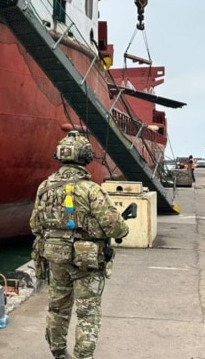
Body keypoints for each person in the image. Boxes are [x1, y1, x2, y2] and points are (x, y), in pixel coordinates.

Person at [30, 130, 130, 359]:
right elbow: (117, 228)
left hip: (55, 258)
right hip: (86, 262)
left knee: (57, 309)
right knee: (87, 313)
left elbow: (35, 225)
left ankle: (58, 353)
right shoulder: (91, 190)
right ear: (85, 157)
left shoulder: (44, 187)